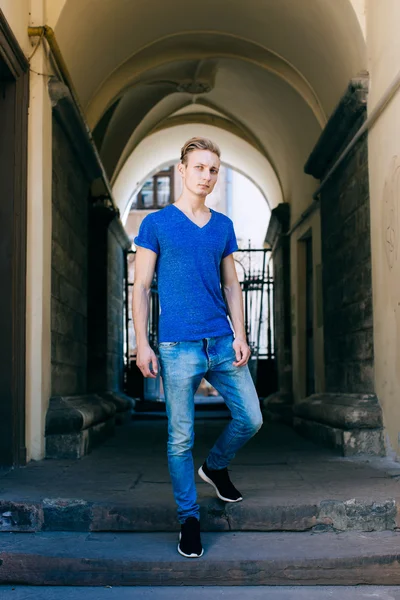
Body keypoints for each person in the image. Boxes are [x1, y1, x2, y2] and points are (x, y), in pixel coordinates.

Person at [132, 137, 263, 558]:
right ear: (182, 170)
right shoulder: (157, 224)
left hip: (222, 341)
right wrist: (141, 343)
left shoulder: (222, 226)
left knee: (252, 418)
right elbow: (142, 287)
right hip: (176, 346)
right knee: (180, 439)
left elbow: (230, 283)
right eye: (200, 167)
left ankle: (216, 466)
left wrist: (240, 334)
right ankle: (189, 519)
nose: (206, 175)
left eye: (213, 170)